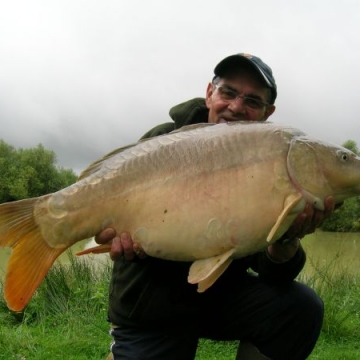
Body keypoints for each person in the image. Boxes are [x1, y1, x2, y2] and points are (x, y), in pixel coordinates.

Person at [96, 53, 335, 360]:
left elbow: (271, 273)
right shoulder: (162, 141)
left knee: (301, 308)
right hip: (151, 310)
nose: (236, 107)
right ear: (210, 93)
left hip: (217, 299)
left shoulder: (272, 160)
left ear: (267, 112)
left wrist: (287, 237)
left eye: (251, 100)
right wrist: (123, 240)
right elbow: (116, 226)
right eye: (229, 93)